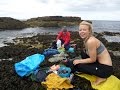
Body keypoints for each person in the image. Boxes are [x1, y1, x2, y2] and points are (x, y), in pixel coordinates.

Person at [64, 21, 113, 85]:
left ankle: (102, 77)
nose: (81, 32)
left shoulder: (91, 41)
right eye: (80, 30)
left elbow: (93, 60)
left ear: (89, 31)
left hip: (105, 70)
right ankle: (87, 68)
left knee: (77, 65)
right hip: (99, 64)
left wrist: (79, 61)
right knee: (81, 54)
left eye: (84, 30)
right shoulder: (87, 39)